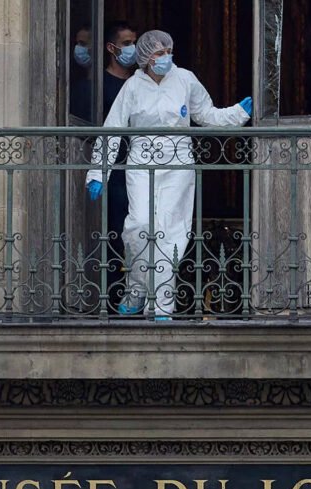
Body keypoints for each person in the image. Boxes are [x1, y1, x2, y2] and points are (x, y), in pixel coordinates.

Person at [85, 30, 253, 319]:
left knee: (170, 232)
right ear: (145, 56)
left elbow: (207, 115)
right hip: (141, 163)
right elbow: (113, 129)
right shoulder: (133, 86)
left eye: (168, 51)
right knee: (138, 225)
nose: (165, 57)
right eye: (158, 53)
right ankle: (136, 290)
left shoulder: (185, 79)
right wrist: (98, 172)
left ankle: (161, 304)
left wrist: (237, 113)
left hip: (178, 164)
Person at [99, 21, 137, 309]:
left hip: (140, 167)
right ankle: (112, 295)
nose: (131, 48)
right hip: (114, 171)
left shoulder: (140, 83)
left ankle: (140, 294)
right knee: (115, 231)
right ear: (111, 48)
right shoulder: (99, 86)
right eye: (126, 43)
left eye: (134, 42)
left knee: (142, 231)